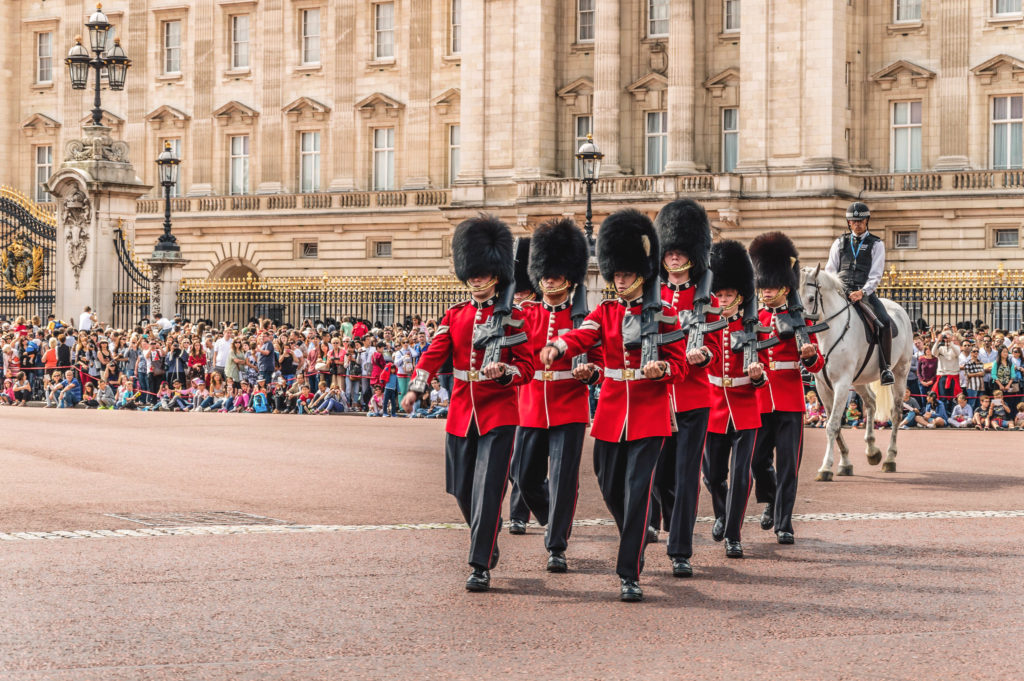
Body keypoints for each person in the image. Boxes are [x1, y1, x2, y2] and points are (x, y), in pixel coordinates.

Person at [539, 209, 688, 602]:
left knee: (638, 492)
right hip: (610, 414)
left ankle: (629, 572)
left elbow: (681, 364)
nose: (619, 281)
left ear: (640, 273)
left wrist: (662, 370)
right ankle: (634, 534)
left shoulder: (665, 314)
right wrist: (558, 345)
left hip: (650, 416)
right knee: (609, 485)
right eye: (616, 275)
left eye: (625, 275)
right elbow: (582, 335)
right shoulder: (605, 312)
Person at [401, 215, 534, 594]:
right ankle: (486, 541)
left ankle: (479, 564)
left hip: (499, 414)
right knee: (462, 489)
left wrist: (505, 372)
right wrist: (416, 388)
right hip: (462, 412)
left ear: (495, 273)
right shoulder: (456, 314)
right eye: (471, 273)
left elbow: (526, 365)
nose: (475, 279)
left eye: (482, 272)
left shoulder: (514, 317)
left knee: (490, 489)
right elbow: (434, 353)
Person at [511, 218, 594, 573]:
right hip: (531, 405)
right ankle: (552, 521)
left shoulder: (583, 317)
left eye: (556, 275)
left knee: (563, 479)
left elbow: (600, 358)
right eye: (545, 274)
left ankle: (557, 543)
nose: (548, 280)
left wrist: (591, 373)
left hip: (570, 405)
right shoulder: (525, 315)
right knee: (524, 477)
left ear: (569, 279)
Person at [649, 199, 721, 578]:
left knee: (686, 474)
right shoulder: (654, 296)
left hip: (693, 397)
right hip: (660, 396)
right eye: (669, 253)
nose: (674, 259)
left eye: (680, 252)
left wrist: (704, 357)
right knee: (659, 476)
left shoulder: (707, 300)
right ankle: (663, 519)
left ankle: (681, 549)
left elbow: (719, 348)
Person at [749, 232, 825, 545]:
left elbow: (818, 364)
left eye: (771, 287)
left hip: (790, 399)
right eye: (762, 287)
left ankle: (784, 522)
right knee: (756, 460)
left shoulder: (801, 320)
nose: (765, 293)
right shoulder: (753, 318)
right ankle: (769, 498)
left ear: (784, 287)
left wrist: (809, 357)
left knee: (789, 465)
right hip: (760, 399)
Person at [702, 240, 767, 559]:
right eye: (720, 294)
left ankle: (733, 534)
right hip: (714, 407)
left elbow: (765, 370)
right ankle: (721, 513)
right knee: (713, 475)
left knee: (742, 474)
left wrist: (757, 374)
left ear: (740, 296)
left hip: (745, 409)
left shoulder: (754, 327)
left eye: (728, 295)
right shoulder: (707, 326)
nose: (723, 299)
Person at [824, 202, 894, 385]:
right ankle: (811, 365)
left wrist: (862, 292)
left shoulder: (876, 243)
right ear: (849, 223)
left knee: (885, 322)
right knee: (817, 317)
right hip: (841, 290)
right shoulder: (839, 242)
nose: (857, 224)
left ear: (867, 221)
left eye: (860, 221)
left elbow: (876, 273)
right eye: (853, 221)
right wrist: (836, 289)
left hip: (864, 292)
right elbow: (830, 270)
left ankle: (885, 368)